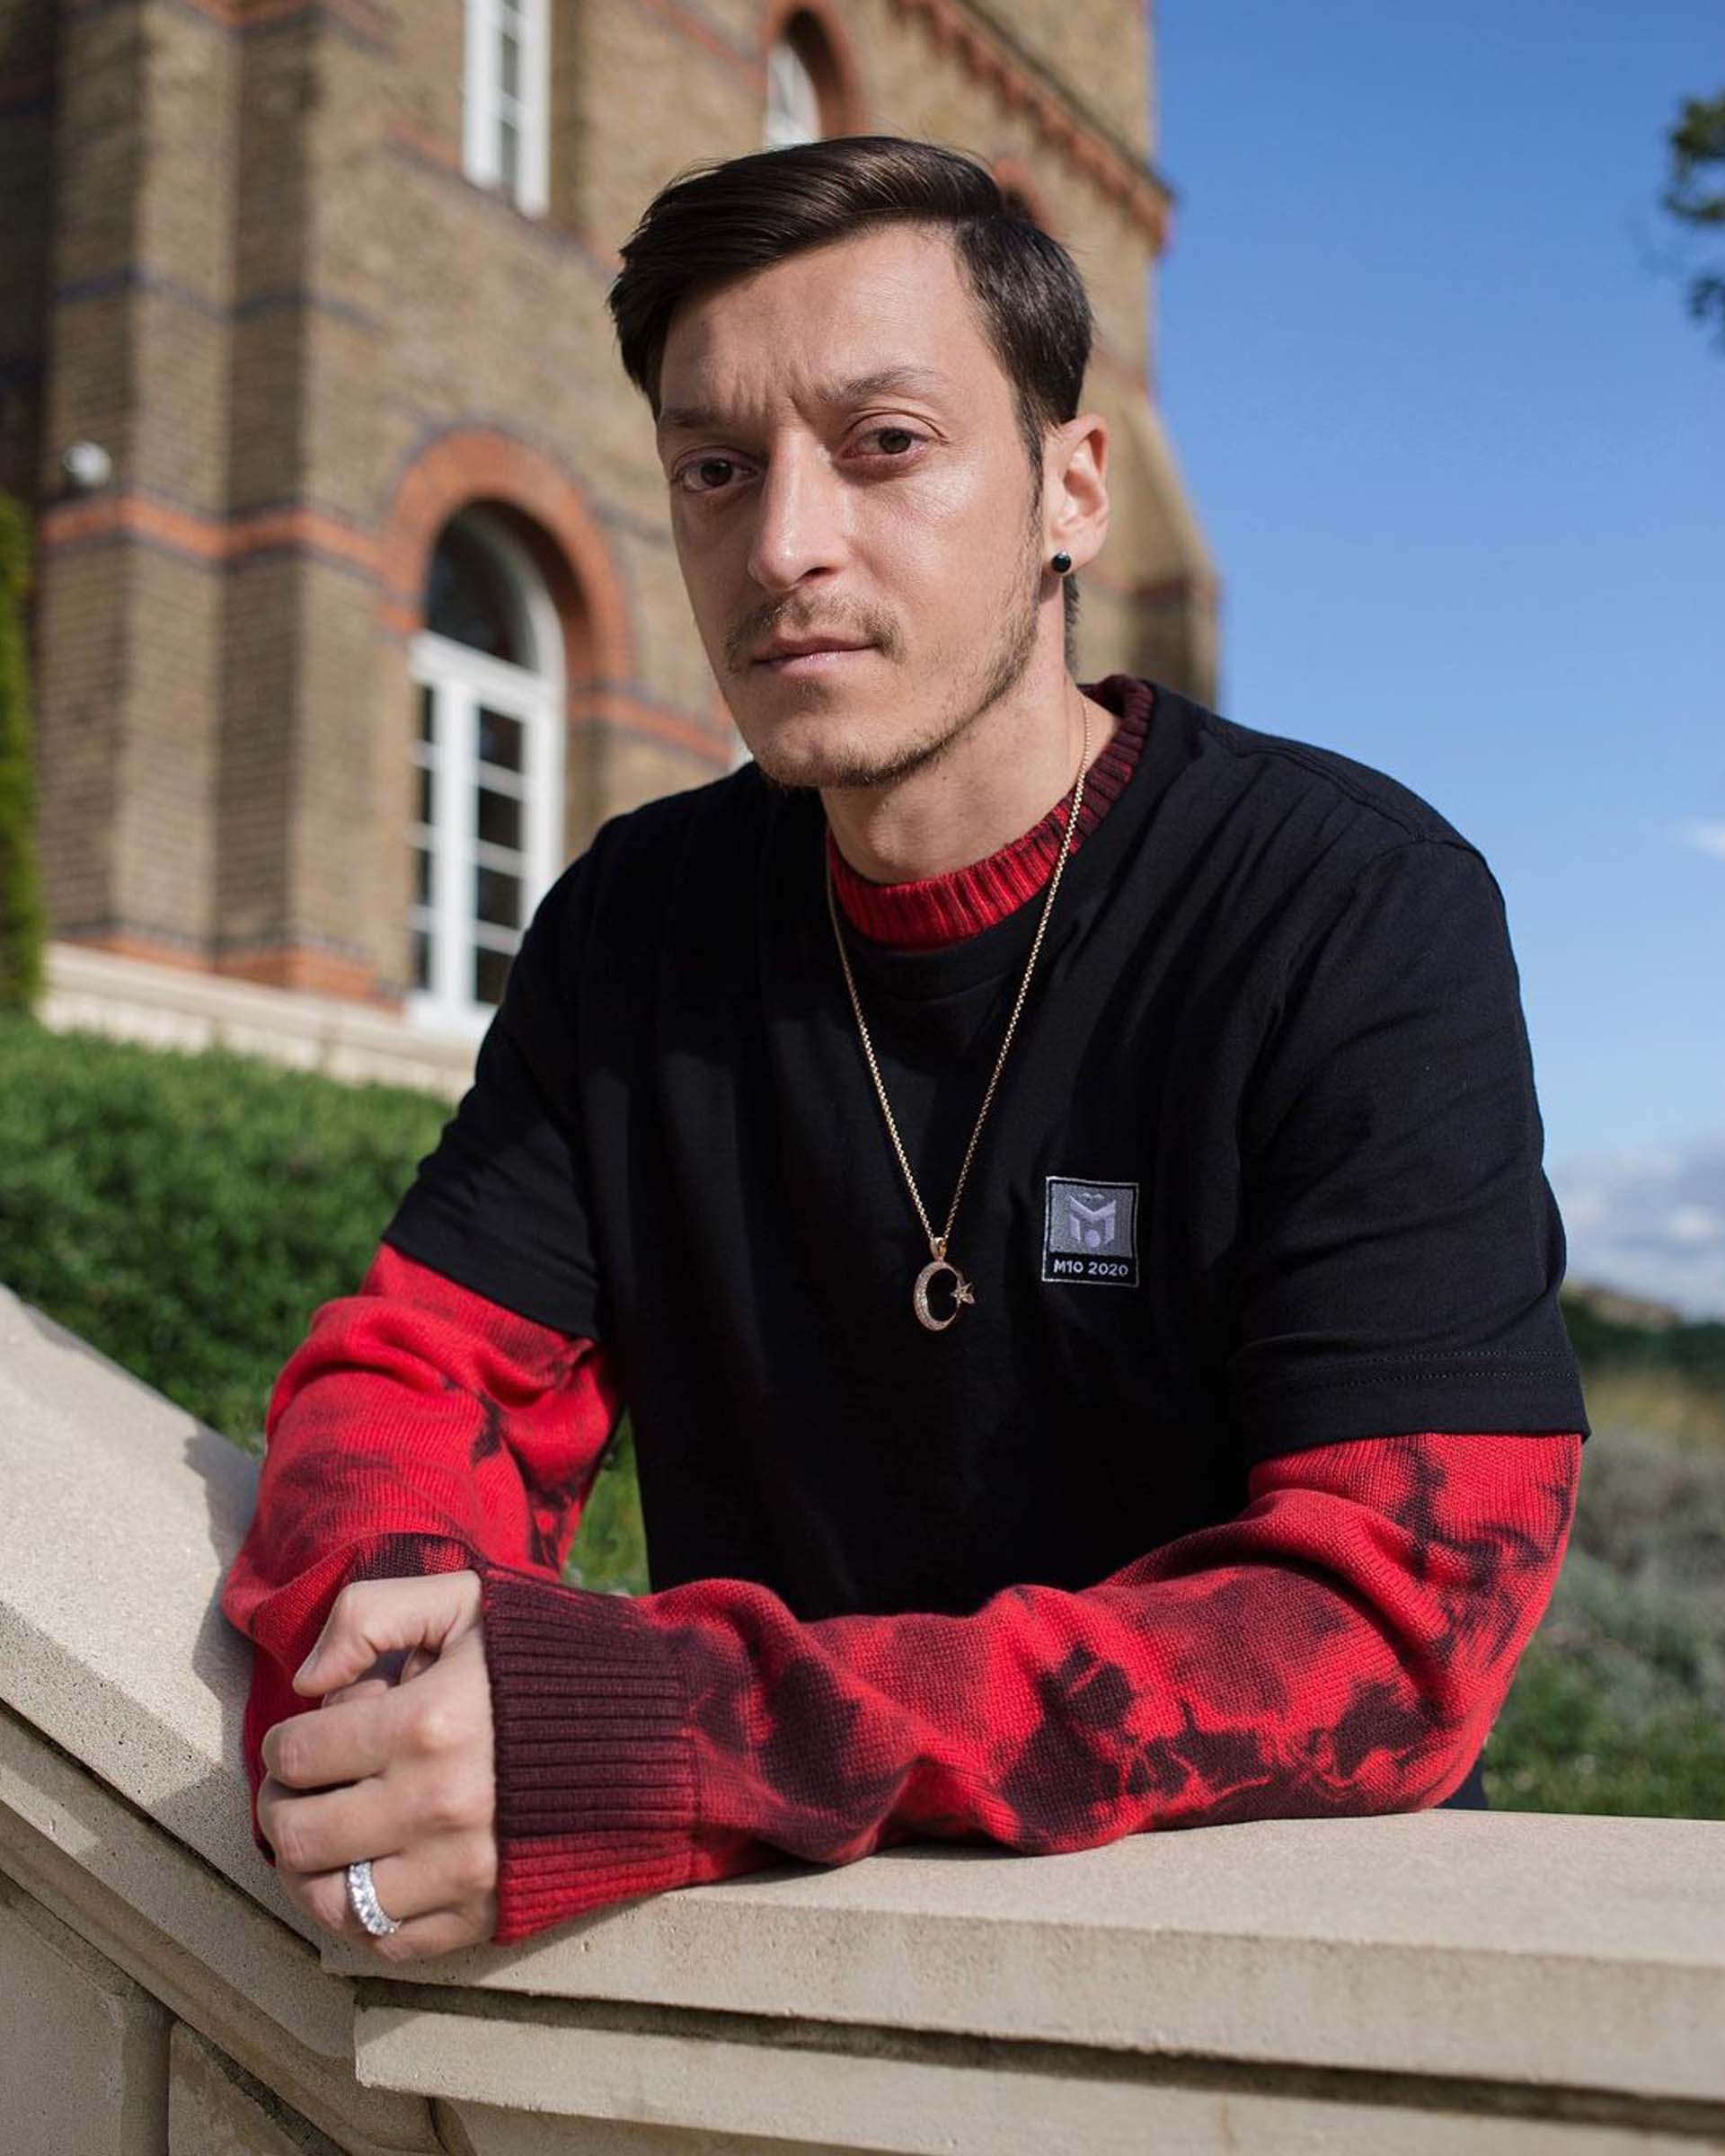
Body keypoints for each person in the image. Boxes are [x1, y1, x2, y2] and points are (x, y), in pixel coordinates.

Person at [221, 136, 1590, 1962]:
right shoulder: (638, 922)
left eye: (884, 444)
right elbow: (423, 1376)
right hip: (800, 1973)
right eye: (715, 468)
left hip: (1270, 1978)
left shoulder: (1348, 908)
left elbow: (1408, 1621)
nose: (784, 544)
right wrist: (387, 1643)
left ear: (1070, 488)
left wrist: (682, 1735)